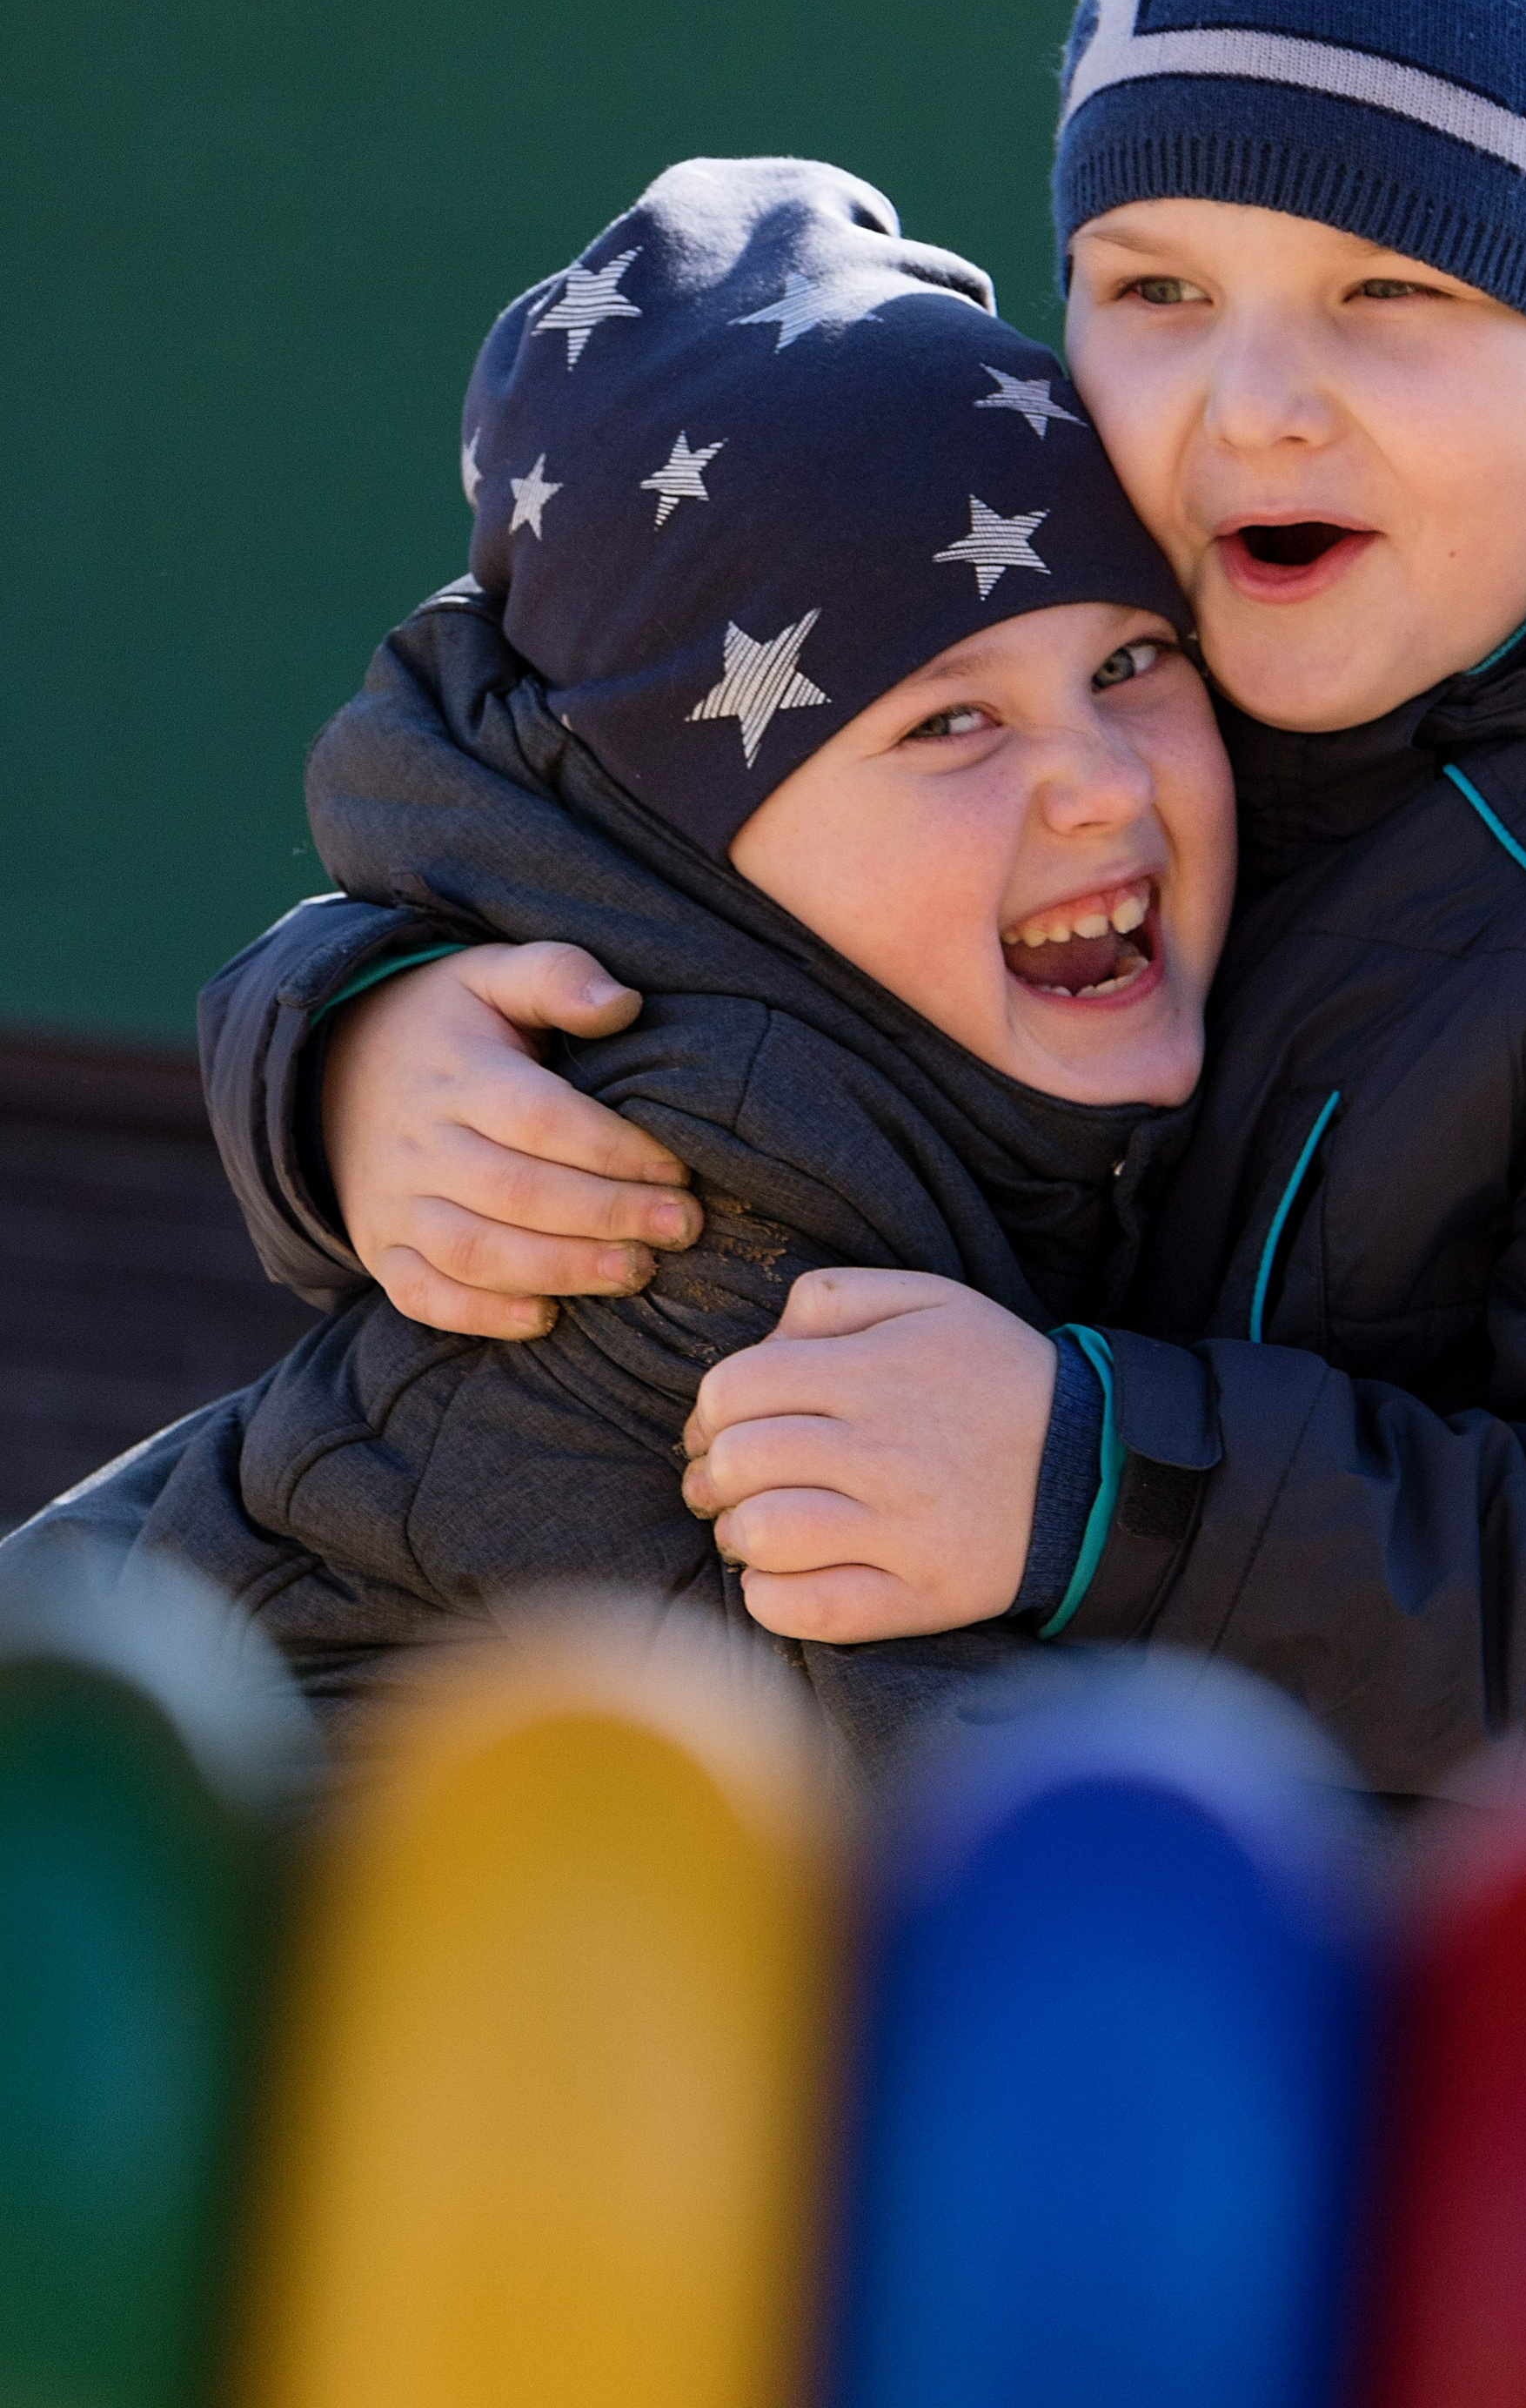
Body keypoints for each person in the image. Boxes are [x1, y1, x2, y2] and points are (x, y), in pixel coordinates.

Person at [192, 0, 1526, 1942]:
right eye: (1156, 290)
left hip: (1460, 2086)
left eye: (1388, 295)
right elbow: (611, 839)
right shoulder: (1138, 634)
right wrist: (351, 1057)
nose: (1248, 401)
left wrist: (1092, 1485)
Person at [0, 158, 1232, 1771]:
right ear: (694, 842)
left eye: (1133, 662)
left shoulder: (940, 1062)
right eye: (950, 721)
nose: (1105, 780)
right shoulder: (685, 1200)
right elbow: (889, 1818)